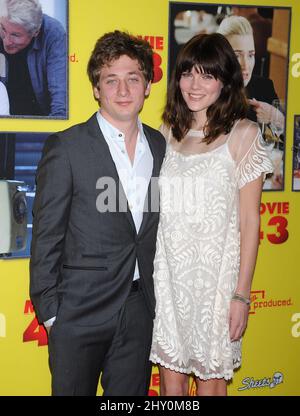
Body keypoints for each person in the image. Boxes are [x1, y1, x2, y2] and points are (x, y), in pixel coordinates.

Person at [30, 30, 166, 396]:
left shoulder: (159, 144)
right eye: (111, 80)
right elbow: (46, 235)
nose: (123, 90)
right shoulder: (67, 147)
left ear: (147, 86)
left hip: (140, 309)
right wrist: (54, 314)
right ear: (96, 88)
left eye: (133, 78)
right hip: (79, 310)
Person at [150, 33, 273, 396]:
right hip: (168, 279)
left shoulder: (244, 134)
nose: (194, 85)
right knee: (170, 383)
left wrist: (241, 295)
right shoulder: (166, 133)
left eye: (207, 75)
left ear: (225, 82)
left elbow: (251, 222)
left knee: (210, 384)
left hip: (215, 285)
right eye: (188, 73)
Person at [217, 15, 284, 131]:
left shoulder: (264, 87)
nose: (246, 65)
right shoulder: (207, 90)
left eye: (250, 55)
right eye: (237, 55)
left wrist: (278, 118)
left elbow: (287, 141)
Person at [0, 0, 66, 117]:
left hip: (38, 122)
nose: (6, 41)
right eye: (3, 29)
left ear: (36, 32)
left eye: (15, 35)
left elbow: (60, 106)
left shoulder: (54, 34)